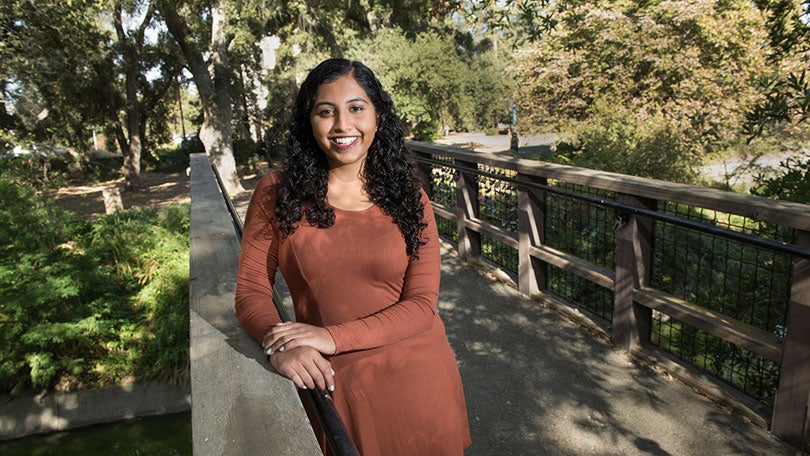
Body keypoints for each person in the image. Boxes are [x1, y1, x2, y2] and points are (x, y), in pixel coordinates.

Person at [235, 58, 471, 455]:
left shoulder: (410, 199)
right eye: (326, 111)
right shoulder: (278, 193)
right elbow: (250, 291)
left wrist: (329, 336)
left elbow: (421, 306)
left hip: (421, 382)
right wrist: (279, 345)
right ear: (308, 122)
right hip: (339, 386)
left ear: (378, 116)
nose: (343, 125)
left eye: (357, 108)